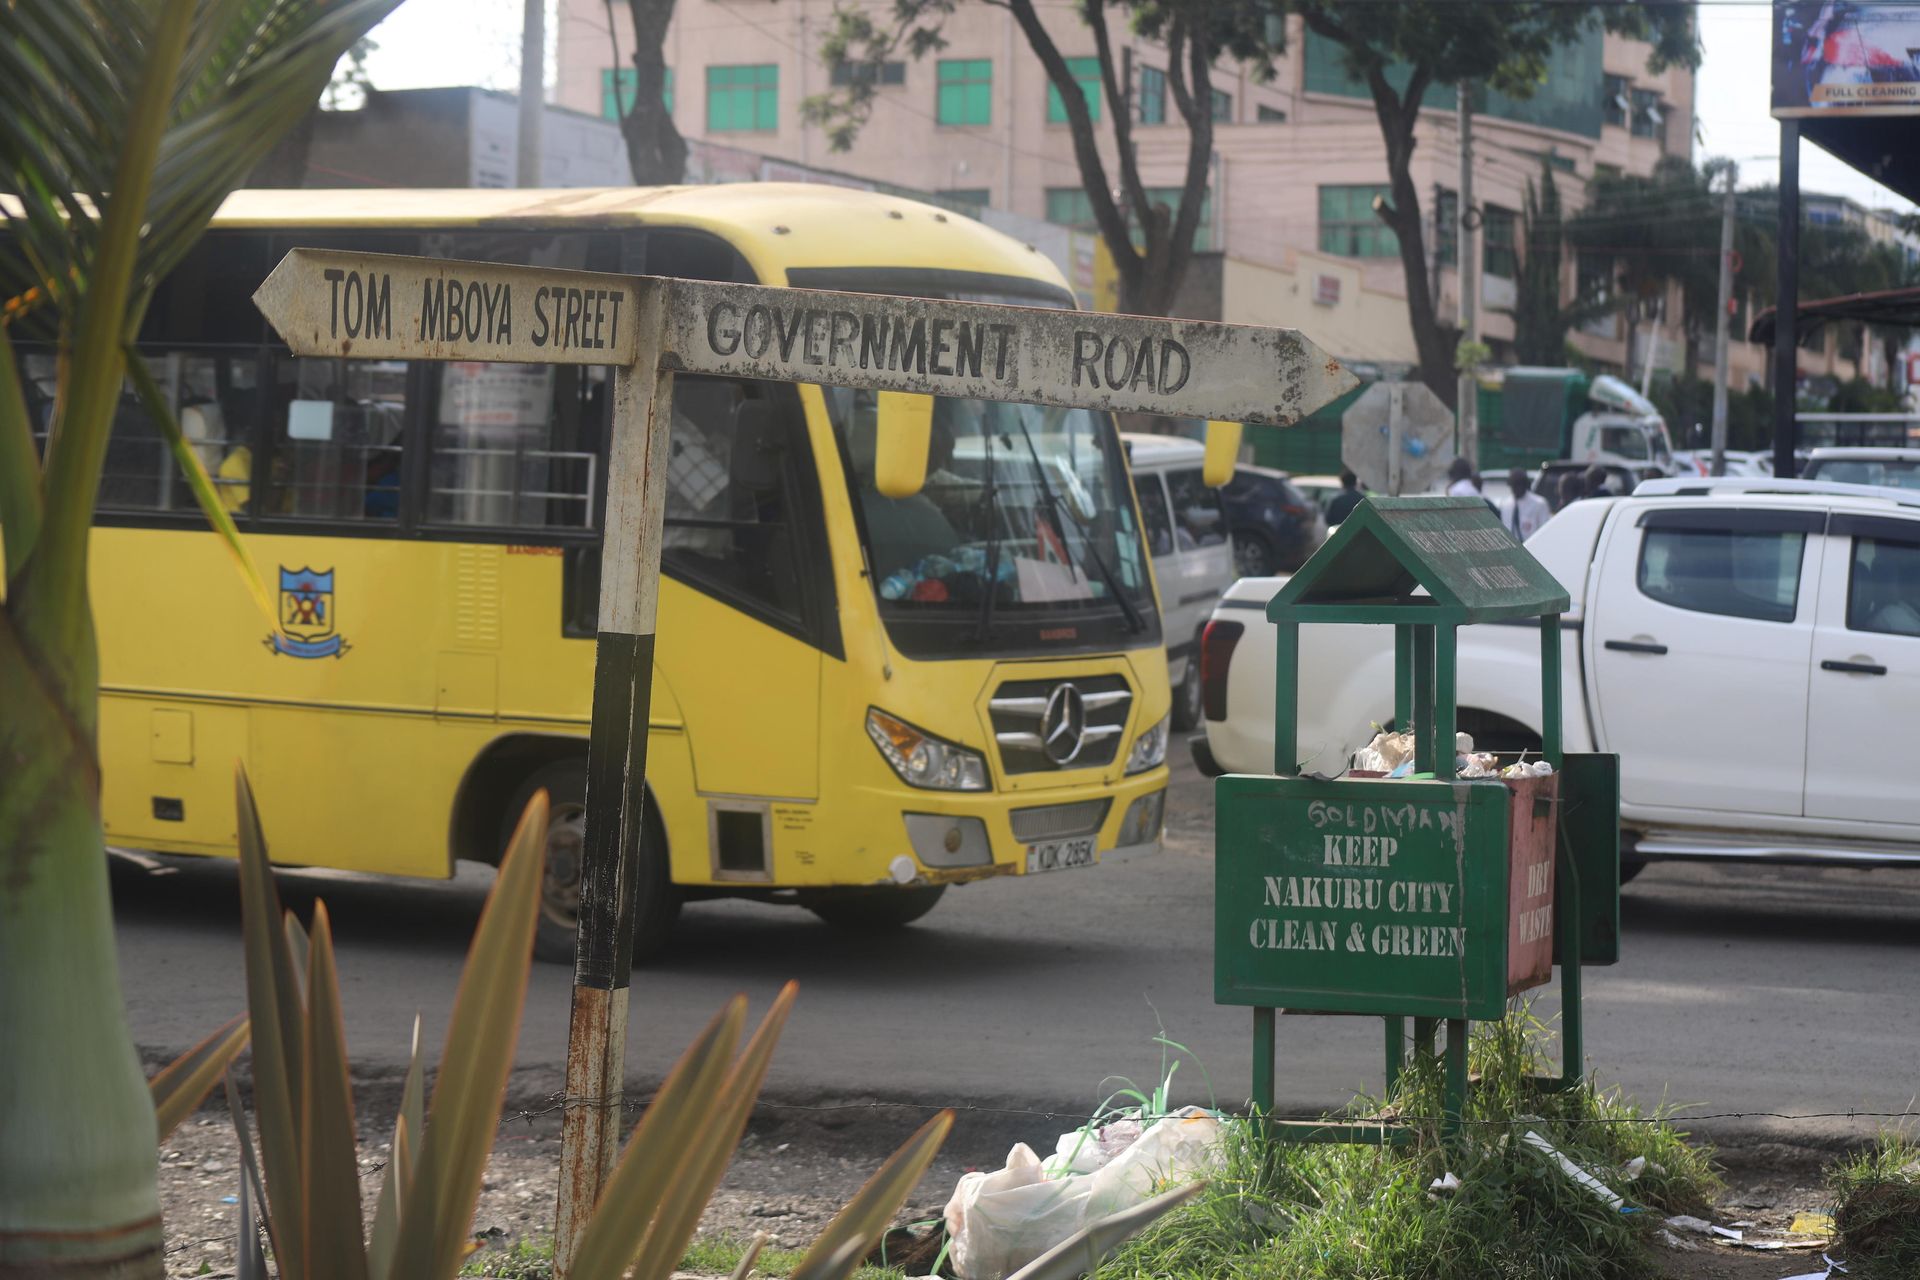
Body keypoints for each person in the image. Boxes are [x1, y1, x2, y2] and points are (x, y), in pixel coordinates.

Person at [1499, 468, 1551, 541]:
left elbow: (1545, 531)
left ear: (1525, 484)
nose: (1516, 487)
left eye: (1519, 484)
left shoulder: (1539, 503)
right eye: (1514, 484)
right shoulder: (1505, 504)